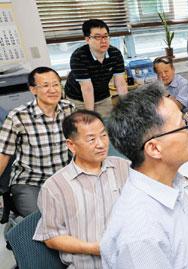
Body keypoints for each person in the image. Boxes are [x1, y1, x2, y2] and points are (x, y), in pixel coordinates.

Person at [101, 84, 188, 268]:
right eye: (183, 125)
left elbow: (186, 242)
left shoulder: (169, 182)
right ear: (154, 148)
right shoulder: (140, 235)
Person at [33, 110, 130, 268]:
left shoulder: (122, 167)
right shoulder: (54, 187)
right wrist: (94, 249)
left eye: (103, 135)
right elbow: (51, 236)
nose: (101, 144)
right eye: (91, 139)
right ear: (71, 145)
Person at [0, 67, 75, 217]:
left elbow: (78, 143)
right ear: (33, 90)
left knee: (82, 213)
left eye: (55, 84)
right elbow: (3, 154)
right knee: (40, 222)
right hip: (30, 182)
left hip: (62, 178)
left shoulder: (69, 109)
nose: (52, 90)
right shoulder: (17, 117)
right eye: (45, 85)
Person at [64, 19, 127, 117]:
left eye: (106, 36)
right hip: (78, 99)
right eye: (97, 37)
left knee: (107, 125)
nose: (103, 40)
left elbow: (121, 83)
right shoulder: (78, 56)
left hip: (102, 97)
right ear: (87, 39)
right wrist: (91, 115)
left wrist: (126, 106)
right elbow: (87, 88)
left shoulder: (115, 54)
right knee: (86, 125)